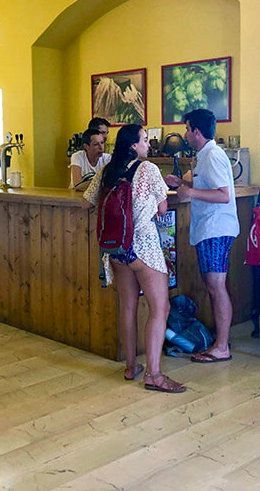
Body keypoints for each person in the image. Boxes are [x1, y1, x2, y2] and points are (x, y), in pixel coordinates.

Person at [84, 124, 185, 393]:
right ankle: (154, 375)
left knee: (127, 306)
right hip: (144, 247)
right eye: (144, 140)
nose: (148, 145)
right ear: (133, 145)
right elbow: (163, 207)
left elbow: (87, 201)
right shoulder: (148, 169)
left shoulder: (106, 170)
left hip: (116, 249)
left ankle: (131, 366)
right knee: (159, 308)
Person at [164, 109, 239, 363]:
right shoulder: (204, 156)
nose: (185, 134)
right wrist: (180, 184)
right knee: (213, 286)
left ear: (197, 131)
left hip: (216, 229)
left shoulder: (212, 156)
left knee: (216, 287)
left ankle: (221, 347)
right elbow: (203, 186)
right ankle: (220, 342)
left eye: (186, 129)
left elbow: (223, 194)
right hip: (210, 229)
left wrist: (191, 193)